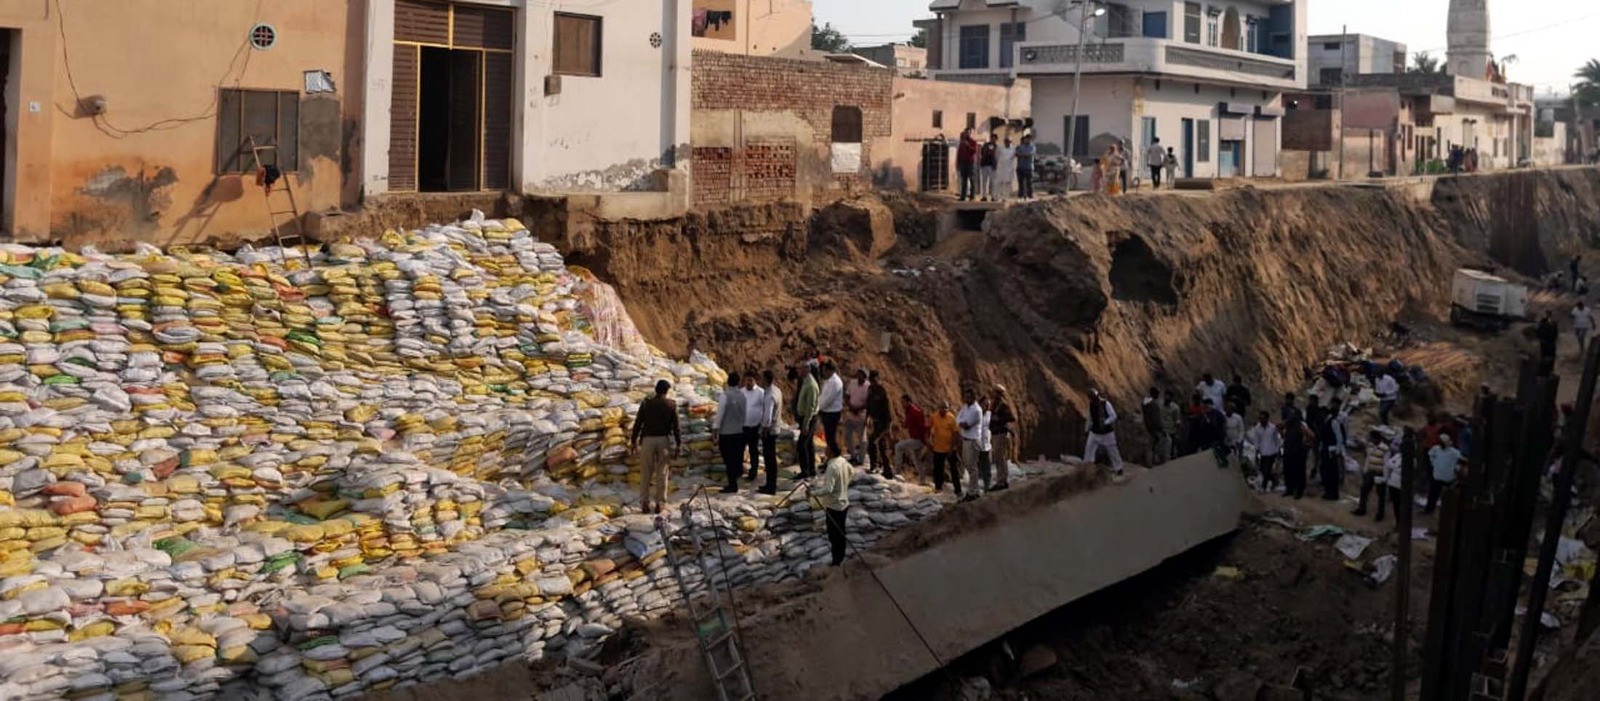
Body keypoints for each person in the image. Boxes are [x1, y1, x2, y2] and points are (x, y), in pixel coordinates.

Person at [630, 379, 682, 514]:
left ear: (656, 390)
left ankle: (644, 503)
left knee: (646, 472)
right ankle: (660, 502)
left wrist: (633, 441)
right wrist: (679, 444)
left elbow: (638, 423)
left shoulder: (646, 404)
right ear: (666, 391)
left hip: (647, 440)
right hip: (663, 440)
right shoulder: (671, 405)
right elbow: (676, 427)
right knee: (662, 472)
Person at [814, 444, 853, 567]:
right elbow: (852, 472)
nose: (825, 450)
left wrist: (813, 493)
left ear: (831, 452)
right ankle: (841, 557)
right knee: (841, 533)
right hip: (844, 503)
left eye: (827, 449)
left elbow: (828, 489)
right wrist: (844, 484)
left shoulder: (832, 466)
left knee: (833, 535)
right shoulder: (843, 461)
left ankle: (836, 561)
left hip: (834, 505)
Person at [713, 373, 748, 494]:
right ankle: (737, 477)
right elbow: (745, 414)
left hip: (727, 433)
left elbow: (720, 415)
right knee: (737, 457)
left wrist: (715, 429)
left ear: (728, 382)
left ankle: (732, 484)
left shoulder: (725, 396)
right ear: (739, 383)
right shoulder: (743, 396)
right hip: (740, 431)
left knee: (728, 459)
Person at [1083, 388, 1125, 476]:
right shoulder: (1091, 405)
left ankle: (1118, 468)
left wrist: (1105, 422)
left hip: (1107, 432)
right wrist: (1086, 429)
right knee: (1089, 448)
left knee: (1112, 450)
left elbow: (1113, 416)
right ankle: (1087, 466)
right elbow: (1089, 418)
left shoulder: (1106, 403)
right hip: (1095, 431)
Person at [1352, 430, 1391, 517]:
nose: (1371, 440)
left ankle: (1380, 513)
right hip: (1370, 471)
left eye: (1372, 438)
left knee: (1380, 494)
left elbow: (1386, 464)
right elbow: (1368, 459)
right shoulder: (1370, 446)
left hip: (1379, 473)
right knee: (1364, 490)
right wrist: (1365, 470)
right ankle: (1361, 508)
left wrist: (1385, 477)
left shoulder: (1385, 449)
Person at [758, 370, 785, 495]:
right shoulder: (777, 391)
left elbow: (768, 415)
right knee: (771, 458)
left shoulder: (769, 395)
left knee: (769, 459)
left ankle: (771, 486)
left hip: (769, 430)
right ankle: (770, 484)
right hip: (775, 428)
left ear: (766, 379)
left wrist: (764, 429)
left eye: (762, 379)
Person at [928, 400, 961, 495]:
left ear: (948, 409)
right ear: (939, 408)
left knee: (954, 469)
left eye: (945, 408)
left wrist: (953, 447)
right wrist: (929, 441)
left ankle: (958, 490)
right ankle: (938, 487)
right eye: (941, 408)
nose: (943, 410)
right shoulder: (934, 417)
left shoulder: (951, 418)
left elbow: (955, 433)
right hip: (938, 448)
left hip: (949, 449)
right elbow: (929, 429)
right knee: (938, 469)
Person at [956, 388, 984, 501]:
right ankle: (974, 490)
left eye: (969, 397)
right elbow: (957, 419)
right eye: (965, 397)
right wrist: (960, 422)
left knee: (972, 467)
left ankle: (973, 492)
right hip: (965, 440)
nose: (966, 399)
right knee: (968, 465)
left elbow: (966, 425)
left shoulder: (976, 410)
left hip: (972, 441)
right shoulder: (965, 407)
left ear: (973, 398)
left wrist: (961, 422)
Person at [1316, 398, 1347, 500]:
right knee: (1326, 470)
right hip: (1327, 448)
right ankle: (1328, 491)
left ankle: (1332, 493)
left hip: (1331, 450)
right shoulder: (1328, 421)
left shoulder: (1334, 422)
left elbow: (1339, 438)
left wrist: (1337, 451)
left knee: (1331, 472)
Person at [865, 370, 894, 477]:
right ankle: (884, 469)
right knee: (880, 445)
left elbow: (888, 408)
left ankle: (877, 466)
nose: (872, 382)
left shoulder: (882, 390)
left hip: (883, 421)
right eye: (871, 380)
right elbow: (868, 403)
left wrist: (888, 426)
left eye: (874, 379)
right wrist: (868, 417)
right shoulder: (871, 389)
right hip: (875, 421)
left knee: (874, 441)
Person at [1425, 434, 1463, 514]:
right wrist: (1433, 463)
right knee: (1432, 495)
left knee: (1447, 497)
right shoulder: (1436, 449)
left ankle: (1446, 512)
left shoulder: (1454, 452)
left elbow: (1461, 460)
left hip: (1448, 478)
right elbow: (1430, 456)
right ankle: (1429, 510)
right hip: (1437, 476)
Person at [893, 395, 929, 479]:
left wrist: (926, 440)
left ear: (909, 402)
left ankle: (897, 471)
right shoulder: (908, 411)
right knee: (916, 459)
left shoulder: (915, 412)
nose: (902, 404)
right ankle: (923, 479)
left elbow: (922, 426)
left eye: (903, 402)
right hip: (916, 438)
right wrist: (900, 426)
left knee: (898, 447)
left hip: (918, 439)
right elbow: (907, 424)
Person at [1245, 412, 1282, 493]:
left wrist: (1277, 450)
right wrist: (1256, 450)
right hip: (1262, 452)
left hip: (1271, 452)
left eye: (1263, 418)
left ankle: (1263, 487)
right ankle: (1274, 480)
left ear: (1267, 419)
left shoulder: (1272, 428)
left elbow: (1277, 439)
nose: (1261, 420)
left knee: (1267, 470)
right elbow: (1256, 440)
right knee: (1262, 470)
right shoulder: (1257, 428)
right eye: (1260, 418)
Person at [794, 362, 820, 479]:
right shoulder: (805, 382)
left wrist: (806, 424)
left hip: (809, 418)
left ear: (806, 370)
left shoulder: (811, 385)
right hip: (805, 417)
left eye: (800, 369)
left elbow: (811, 407)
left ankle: (805, 471)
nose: (798, 371)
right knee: (808, 445)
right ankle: (811, 469)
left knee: (801, 445)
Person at [740, 372, 765, 481]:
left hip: (755, 426)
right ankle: (739, 470)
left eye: (750, 380)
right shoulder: (741, 392)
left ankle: (753, 472)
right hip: (743, 426)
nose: (748, 383)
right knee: (740, 449)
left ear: (755, 381)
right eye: (746, 380)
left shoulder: (761, 393)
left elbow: (765, 409)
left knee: (753, 450)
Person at [990, 385, 1016, 490]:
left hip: (1001, 433)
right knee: (998, 457)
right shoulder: (995, 404)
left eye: (995, 392)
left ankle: (1002, 481)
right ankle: (1001, 480)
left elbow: (1011, 418)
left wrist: (999, 419)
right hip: (996, 433)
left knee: (1000, 457)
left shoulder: (1003, 405)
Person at [843, 368, 871, 464]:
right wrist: (850, 406)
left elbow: (869, 402)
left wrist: (858, 409)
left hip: (861, 415)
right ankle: (853, 456)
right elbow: (847, 395)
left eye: (861, 375)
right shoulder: (852, 383)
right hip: (851, 413)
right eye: (858, 374)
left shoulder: (868, 386)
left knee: (862, 438)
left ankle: (861, 459)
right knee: (848, 435)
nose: (859, 377)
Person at [817, 362, 844, 458]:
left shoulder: (836, 382)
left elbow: (829, 399)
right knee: (828, 438)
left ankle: (837, 457)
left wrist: (818, 407)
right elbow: (823, 396)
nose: (824, 373)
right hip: (826, 412)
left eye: (825, 370)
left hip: (832, 413)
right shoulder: (828, 381)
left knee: (831, 438)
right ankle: (830, 458)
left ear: (831, 370)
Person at [1282, 412, 1311, 499]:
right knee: (1288, 471)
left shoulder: (1301, 425)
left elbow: (1311, 435)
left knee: (1299, 473)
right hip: (1288, 451)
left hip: (1298, 452)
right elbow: (1279, 428)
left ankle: (1299, 491)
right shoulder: (1288, 425)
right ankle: (1289, 489)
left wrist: (1305, 443)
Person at [969, 396, 994, 497]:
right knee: (976, 468)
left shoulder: (990, 414)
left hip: (987, 445)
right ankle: (976, 490)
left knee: (987, 468)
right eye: (985, 404)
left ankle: (987, 488)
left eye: (989, 404)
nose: (987, 406)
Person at [1142, 386, 1166, 466]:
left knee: (1149, 446)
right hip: (1154, 429)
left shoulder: (1145, 403)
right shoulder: (1154, 404)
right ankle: (1157, 461)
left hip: (1147, 427)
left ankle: (1149, 462)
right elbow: (1156, 418)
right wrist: (1160, 428)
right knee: (1158, 445)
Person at [1222, 402, 1246, 471]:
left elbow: (1241, 430)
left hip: (1235, 441)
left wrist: (1239, 441)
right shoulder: (1222, 416)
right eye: (1227, 408)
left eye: (1231, 409)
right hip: (1225, 441)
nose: (1229, 410)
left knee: (1234, 458)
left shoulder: (1238, 418)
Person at [956, 129, 979, 201]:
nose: (967, 134)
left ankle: (972, 196)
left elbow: (974, 151)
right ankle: (963, 196)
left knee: (971, 179)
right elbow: (959, 153)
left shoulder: (973, 142)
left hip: (970, 163)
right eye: (966, 133)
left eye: (968, 133)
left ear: (970, 133)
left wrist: (968, 145)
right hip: (963, 163)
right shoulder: (962, 142)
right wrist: (958, 163)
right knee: (964, 180)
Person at [1161, 390, 1183, 462]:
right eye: (1165, 396)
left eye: (1168, 396)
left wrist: (1177, 432)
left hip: (1171, 431)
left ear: (1171, 397)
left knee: (1171, 449)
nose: (1166, 398)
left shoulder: (1175, 407)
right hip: (1162, 431)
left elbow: (1177, 420)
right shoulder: (1160, 406)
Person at [1015, 135, 1037, 199]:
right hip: (1020, 167)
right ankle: (1020, 195)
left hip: (1029, 167)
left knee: (1029, 182)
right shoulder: (1020, 147)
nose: (1027, 140)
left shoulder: (1032, 147)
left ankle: (1030, 195)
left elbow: (1030, 154)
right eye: (1026, 139)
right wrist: (1024, 155)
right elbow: (1017, 154)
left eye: (1028, 139)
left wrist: (1022, 155)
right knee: (1020, 182)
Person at [979, 134, 1000, 201]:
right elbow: (982, 153)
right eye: (992, 138)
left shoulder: (997, 147)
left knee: (993, 182)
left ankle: (993, 196)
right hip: (984, 165)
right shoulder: (985, 145)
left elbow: (998, 157)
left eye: (994, 138)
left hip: (992, 166)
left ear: (996, 139)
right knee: (984, 182)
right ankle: (984, 196)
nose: (992, 139)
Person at [996, 137, 1017, 201]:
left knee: (1008, 183)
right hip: (1001, 168)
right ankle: (999, 197)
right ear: (1004, 142)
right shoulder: (1000, 148)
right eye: (1006, 141)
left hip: (1009, 169)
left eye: (1009, 141)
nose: (1007, 142)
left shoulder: (1013, 149)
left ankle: (1006, 197)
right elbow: (997, 156)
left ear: (1011, 142)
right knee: (1000, 183)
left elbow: (1014, 158)